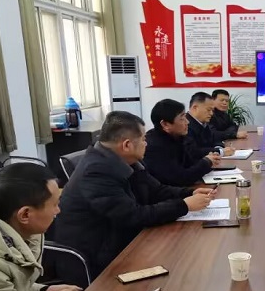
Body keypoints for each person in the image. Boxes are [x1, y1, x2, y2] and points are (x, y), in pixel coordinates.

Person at [54, 111, 214, 278]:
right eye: (143, 139)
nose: (146, 143)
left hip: (122, 241)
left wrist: (189, 192)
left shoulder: (124, 159)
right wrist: (184, 205)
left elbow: (156, 190)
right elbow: (133, 215)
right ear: (127, 145)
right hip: (98, 258)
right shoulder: (96, 171)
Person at [145, 98, 223, 186]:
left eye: (185, 117)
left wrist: (210, 160)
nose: (187, 122)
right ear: (165, 124)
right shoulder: (154, 147)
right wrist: (206, 162)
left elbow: (192, 163)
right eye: (182, 118)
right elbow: (180, 178)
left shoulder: (178, 137)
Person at [186, 92, 235, 156]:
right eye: (208, 110)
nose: (211, 113)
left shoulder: (203, 123)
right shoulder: (185, 125)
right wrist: (220, 152)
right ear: (195, 107)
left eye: (212, 110)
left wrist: (219, 147)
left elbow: (215, 139)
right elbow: (193, 151)